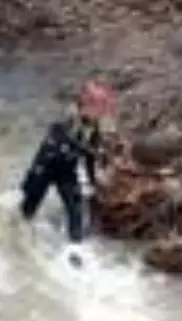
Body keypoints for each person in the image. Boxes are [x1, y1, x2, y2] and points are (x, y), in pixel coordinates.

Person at [19, 79, 115, 244]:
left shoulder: (96, 125)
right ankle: (21, 237)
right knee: (28, 208)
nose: (103, 111)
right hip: (46, 165)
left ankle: (75, 248)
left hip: (67, 170)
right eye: (100, 105)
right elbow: (61, 135)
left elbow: (89, 158)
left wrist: (93, 183)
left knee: (75, 209)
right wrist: (90, 150)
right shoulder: (69, 114)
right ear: (88, 103)